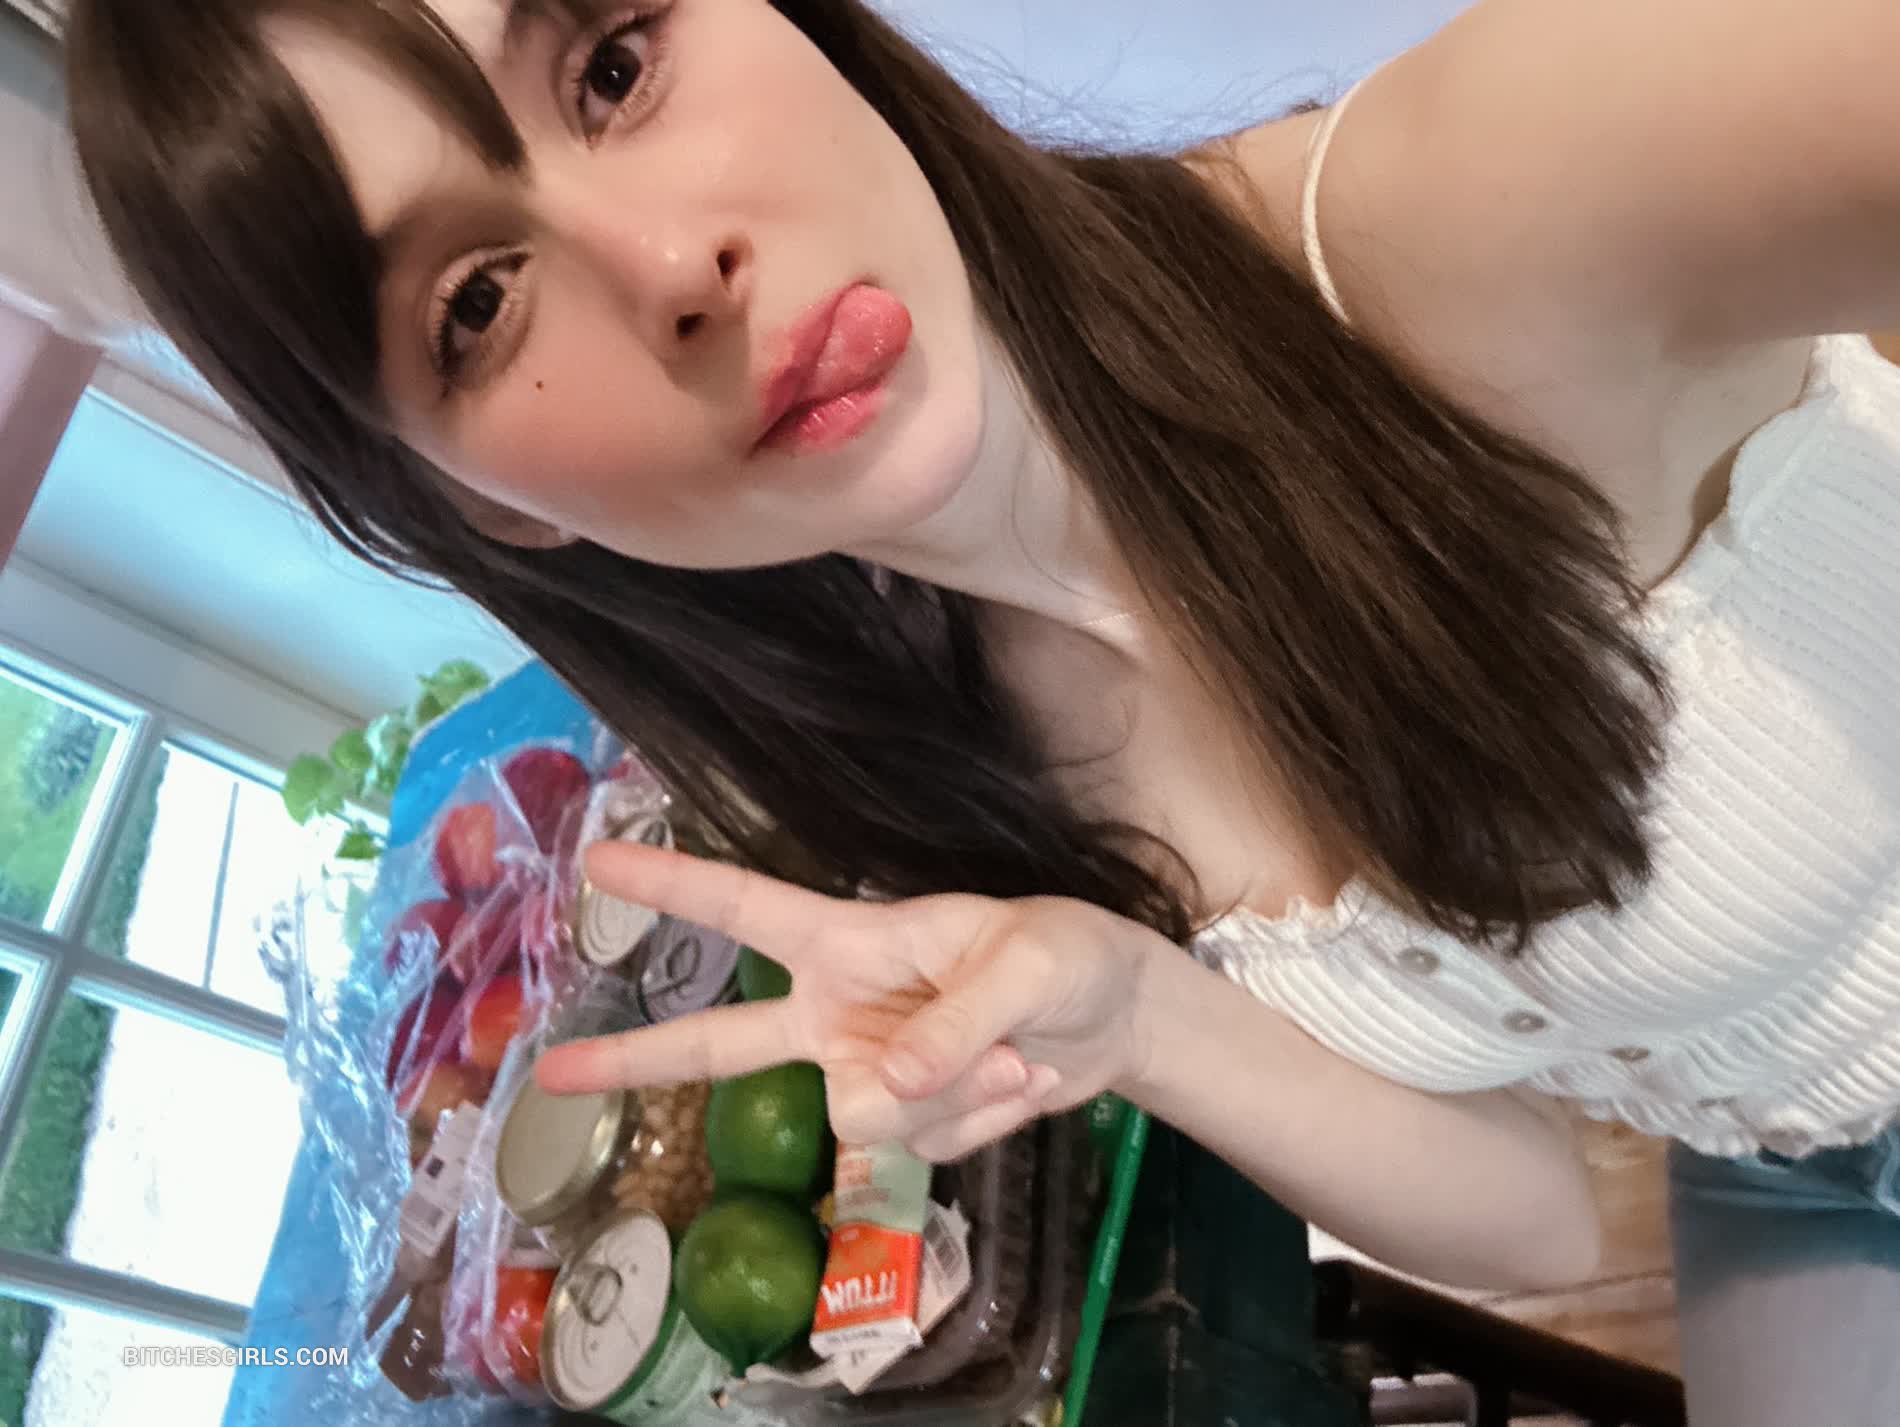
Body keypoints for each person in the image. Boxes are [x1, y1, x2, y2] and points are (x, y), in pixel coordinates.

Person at [64, 0, 1900, 1419]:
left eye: (615, 64)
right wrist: (1140, 1019)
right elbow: (1547, 1216)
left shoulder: (1455, 228)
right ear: (492, 508)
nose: (671, 270)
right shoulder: (953, 750)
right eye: (477, 304)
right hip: (1786, 1174)